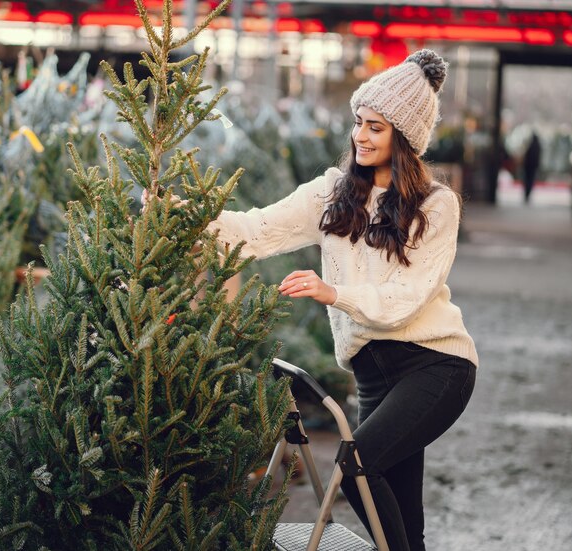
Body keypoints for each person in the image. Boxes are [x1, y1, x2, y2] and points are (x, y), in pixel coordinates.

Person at [194, 50, 478, 551]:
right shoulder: (333, 193)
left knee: (357, 468)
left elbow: (405, 299)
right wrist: (185, 215)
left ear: (404, 138)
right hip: (372, 374)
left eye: (375, 127)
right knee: (404, 518)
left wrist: (334, 292)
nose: (360, 137)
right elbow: (255, 230)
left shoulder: (437, 206)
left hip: (435, 366)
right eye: (358, 123)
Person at [522, 131, 542, 203]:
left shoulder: (530, 146)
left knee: (527, 180)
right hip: (532, 167)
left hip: (528, 167)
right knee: (530, 181)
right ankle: (527, 194)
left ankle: (526, 194)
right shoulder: (538, 147)